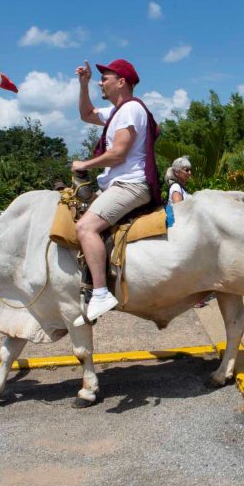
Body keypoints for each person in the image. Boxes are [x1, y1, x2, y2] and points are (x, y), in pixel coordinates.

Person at [71, 58, 161, 326]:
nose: (101, 81)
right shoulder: (116, 112)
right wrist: (83, 84)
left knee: (85, 228)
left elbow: (119, 153)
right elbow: (86, 115)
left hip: (130, 185)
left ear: (121, 82)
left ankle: (100, 293)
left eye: (105, 78)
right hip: (117, 184)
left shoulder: (130, 109)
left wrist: (85, 164)